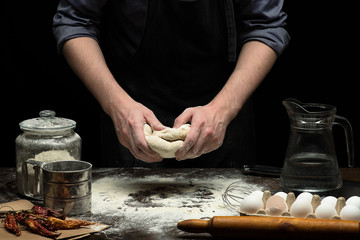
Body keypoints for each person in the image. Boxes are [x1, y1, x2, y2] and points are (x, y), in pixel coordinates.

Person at [52, 0, 290, 168]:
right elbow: (75, 21)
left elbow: (266, 26)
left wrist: (224, 109)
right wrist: (116, 105)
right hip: (132, 106)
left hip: (225, 107)